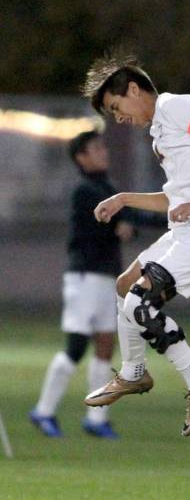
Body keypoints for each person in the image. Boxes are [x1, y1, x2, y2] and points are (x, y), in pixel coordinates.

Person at [80, 52, 190, 436]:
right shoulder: (160, 132)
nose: (118, 117)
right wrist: (123, 198)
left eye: (115, 106)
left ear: (134, 89)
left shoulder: (177, 106)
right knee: (125, 287)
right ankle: (134, 372)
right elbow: (176, 199)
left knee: (140, 302)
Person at [30, 131, 136, 439]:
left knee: (105, 346)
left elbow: (129, 220)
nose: (103, 152)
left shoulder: (108, 188)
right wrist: (119, 228)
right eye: (96, 148)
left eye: (103, 146)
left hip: (106, 278)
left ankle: (96, 418)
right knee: (76, 347)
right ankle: (43, 411)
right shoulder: (85, 191)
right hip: (84, 276)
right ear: (81, 158)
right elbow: (96, 229)